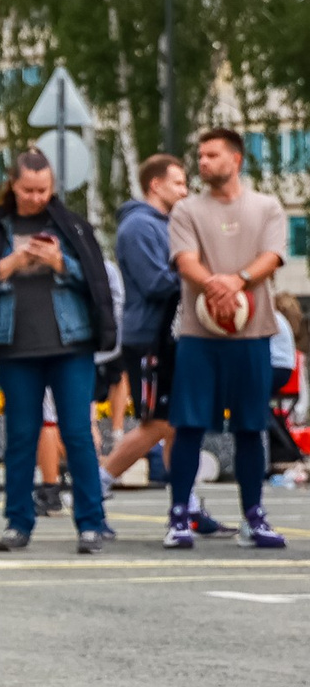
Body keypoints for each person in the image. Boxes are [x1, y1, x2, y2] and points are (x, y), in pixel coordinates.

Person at [0, 149, 115, 551]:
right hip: (14, 348)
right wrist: (7, 266)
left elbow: (95, 282)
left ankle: (91, 523)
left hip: (70, 344)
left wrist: (61, 263)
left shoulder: (71, 227)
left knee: (77, 432)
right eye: (28, 190)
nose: (36, 197)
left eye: (43, 190)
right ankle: (17, 522)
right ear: (13, 185)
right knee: (21, 436)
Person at [164, 129, 289, 549]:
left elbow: (271, 257)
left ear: (235, 159)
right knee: (189, 424)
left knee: (251, 426)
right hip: (199, 336)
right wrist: (216, 287)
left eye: (212, 155)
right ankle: (179, 515)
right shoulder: (185, 210)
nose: (202, 162)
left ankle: (254, 516)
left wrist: (237, 281)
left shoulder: (266, 207)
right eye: (199, 155)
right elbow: (185, 260)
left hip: (252, 334)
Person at [102, 155, 195, 501]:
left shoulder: (164, 223)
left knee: (176, 424)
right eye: (178, 183)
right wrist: (198, 274)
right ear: (155, 184)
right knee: (158, 423)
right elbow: (155, 283)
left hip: (166, 337)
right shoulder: (139, 226)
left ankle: (186, 503)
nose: (185, 191)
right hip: (148, 339)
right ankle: (96, 484)